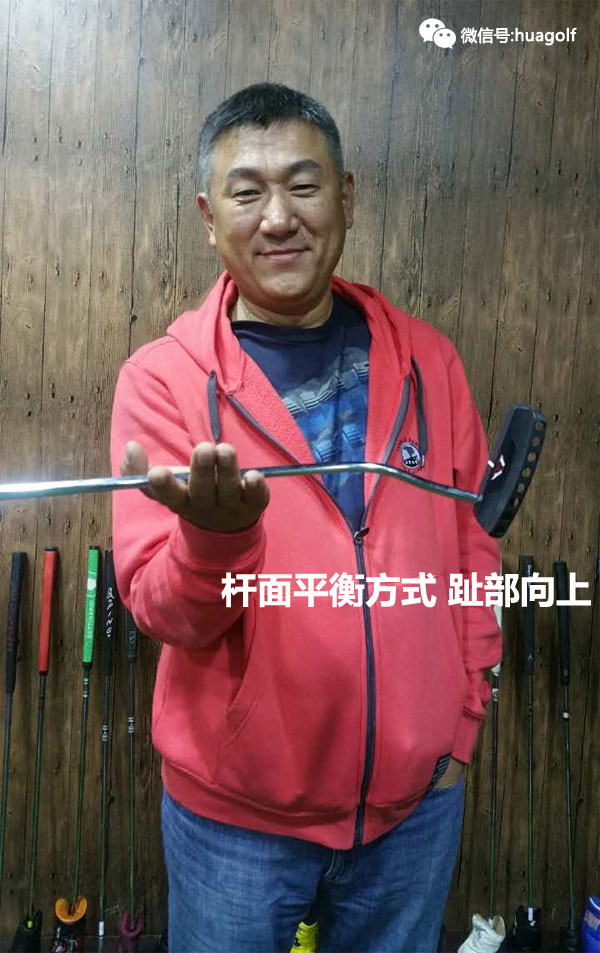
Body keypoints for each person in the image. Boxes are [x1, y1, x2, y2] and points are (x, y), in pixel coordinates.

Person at [110, 82, 502, 953]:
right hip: (235, 824)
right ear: (209, 218)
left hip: (414, 808)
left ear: (346, 197)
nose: (279, 217)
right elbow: (161, 612)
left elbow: (473, 546)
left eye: (303, 184)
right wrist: (213, 539)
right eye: (248, 193)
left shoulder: (430, 362)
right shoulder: (162, 381)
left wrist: (463, 718)